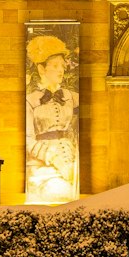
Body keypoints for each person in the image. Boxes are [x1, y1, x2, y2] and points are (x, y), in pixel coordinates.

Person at [25, 35, 79, 200]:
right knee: (60, 194)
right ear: (42, 69)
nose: (60, 70)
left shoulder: (72, 97)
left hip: (71, 160)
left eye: (62, 66)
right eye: (55, 66)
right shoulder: (31, 100)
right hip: (42, 166)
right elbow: (28, 139)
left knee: (73, 192)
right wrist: (53, 157)